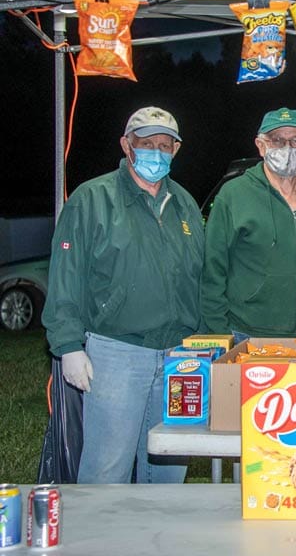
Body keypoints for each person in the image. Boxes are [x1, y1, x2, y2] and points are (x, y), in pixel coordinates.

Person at [42, 106, 204, 483]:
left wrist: (205, 341)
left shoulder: (184, 204)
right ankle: (98, 540)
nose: (156, 152)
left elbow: (200, 275)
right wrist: (68, 345)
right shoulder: (92, 199)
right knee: (106, 467)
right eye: (146, 143)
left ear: (175, 150)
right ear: (126, 145)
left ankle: (155, 540)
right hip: (117, 351)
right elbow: (66, 274)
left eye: (164, 145)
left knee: (169, 463)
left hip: (179, 355)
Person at [201, 107, 296, 338]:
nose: (287, 148)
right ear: (261, 145)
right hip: (248, 334)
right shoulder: (234, 195)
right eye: (277, 140)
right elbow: (213, 270)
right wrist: (219, 334)